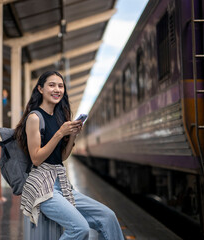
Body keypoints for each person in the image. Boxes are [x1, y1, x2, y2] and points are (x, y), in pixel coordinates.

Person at [14, 71, 124, 240]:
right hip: (43, 188)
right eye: (51, 85)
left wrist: (72, 134)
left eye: (60, 86)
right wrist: (60, 133)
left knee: (108, 217)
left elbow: (62, 157)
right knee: (80, 229)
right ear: (40, 89)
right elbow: (36, 158)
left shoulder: (58, 117)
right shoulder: (35, 118)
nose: (57, 89)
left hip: (62, 185)